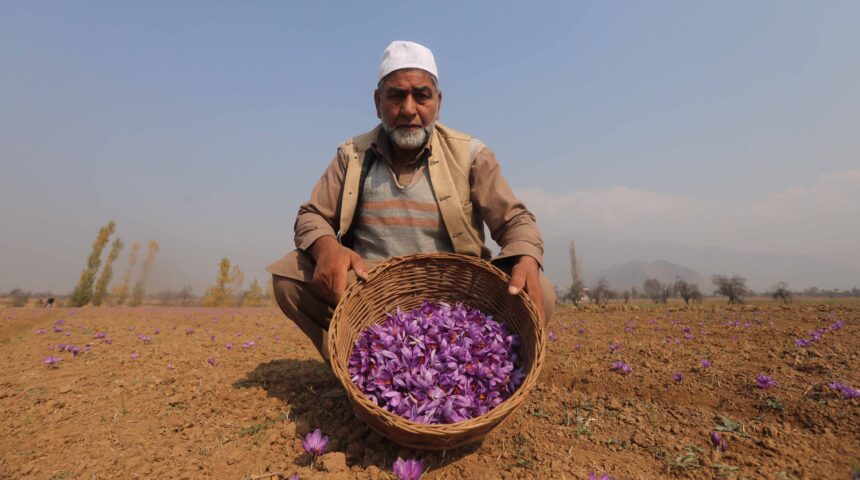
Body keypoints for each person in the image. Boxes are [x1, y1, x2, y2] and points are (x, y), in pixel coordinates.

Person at [267, 40, 556, 363]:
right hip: (370, 295)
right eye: (396, 96)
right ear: (378, 103)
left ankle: (487, 371)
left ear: (438, 102)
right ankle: (355, 368)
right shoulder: (352, 155)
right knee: (289, 277)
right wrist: (327, 248)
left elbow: (516, 221)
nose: (408, 109)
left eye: (421, 95)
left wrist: (527, 256)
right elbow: (311, 216)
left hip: (457, 297)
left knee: (539, 290)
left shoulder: (471, 155)